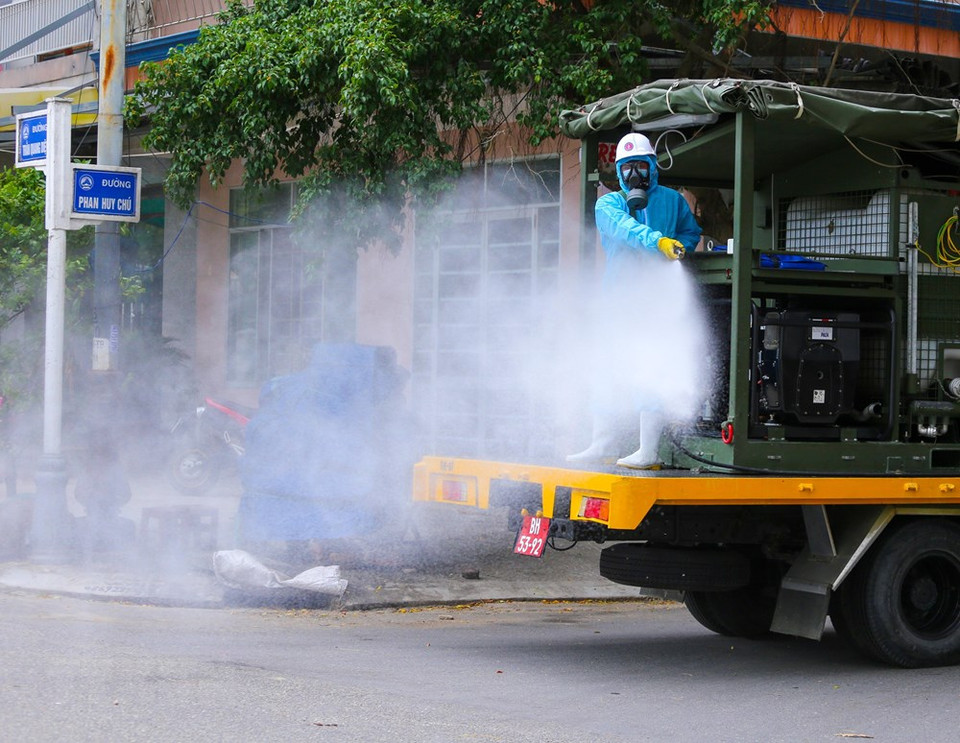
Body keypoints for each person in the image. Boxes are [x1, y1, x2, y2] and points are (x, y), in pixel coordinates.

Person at [568, 132, 703, 469]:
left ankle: (648, 450)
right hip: (618, 300)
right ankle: (602, 442)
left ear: (652, 167)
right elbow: (627, 229)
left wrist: (679, 248)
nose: (633, 175)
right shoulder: (609, 204)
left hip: (654, 302)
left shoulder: (672, 201)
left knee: (650, 367)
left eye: (639, 166)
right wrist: (658, 241)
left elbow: (691, 232)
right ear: (618, 171)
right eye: (627, 168)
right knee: (606, 368)